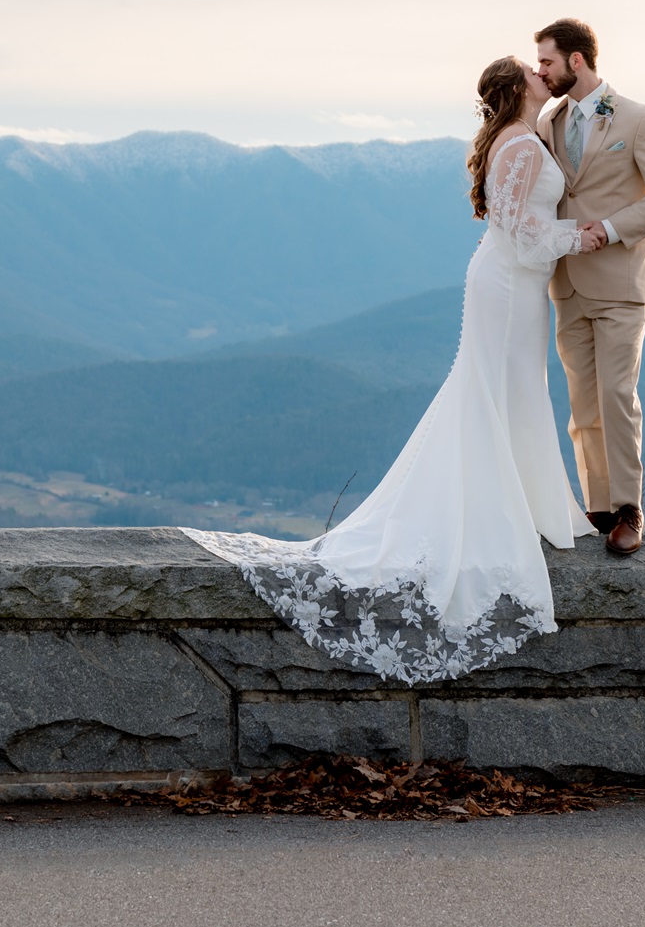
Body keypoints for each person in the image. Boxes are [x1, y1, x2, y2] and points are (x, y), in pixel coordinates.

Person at [184, 55, 606, 683]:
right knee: (491, 391)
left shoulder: (525, 138)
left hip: (516, 287)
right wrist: (583, 238)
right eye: (535, 73)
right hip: (510, 284)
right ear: (519, 89)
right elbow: (522, 234)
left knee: (516, 391)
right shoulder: (518, 147)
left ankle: (528, 504)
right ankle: (497, 515)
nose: (546, 77)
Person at [535, 18, 645, 556]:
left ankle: (629, 508)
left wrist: (610, 228)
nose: (541, 72)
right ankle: (597, 507)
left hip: (622, 282)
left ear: (576, 61)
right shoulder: (549, 120)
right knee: (583, 403)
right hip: (567, 283)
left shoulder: (638, 118)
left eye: (547, 62)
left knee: (617, 396)